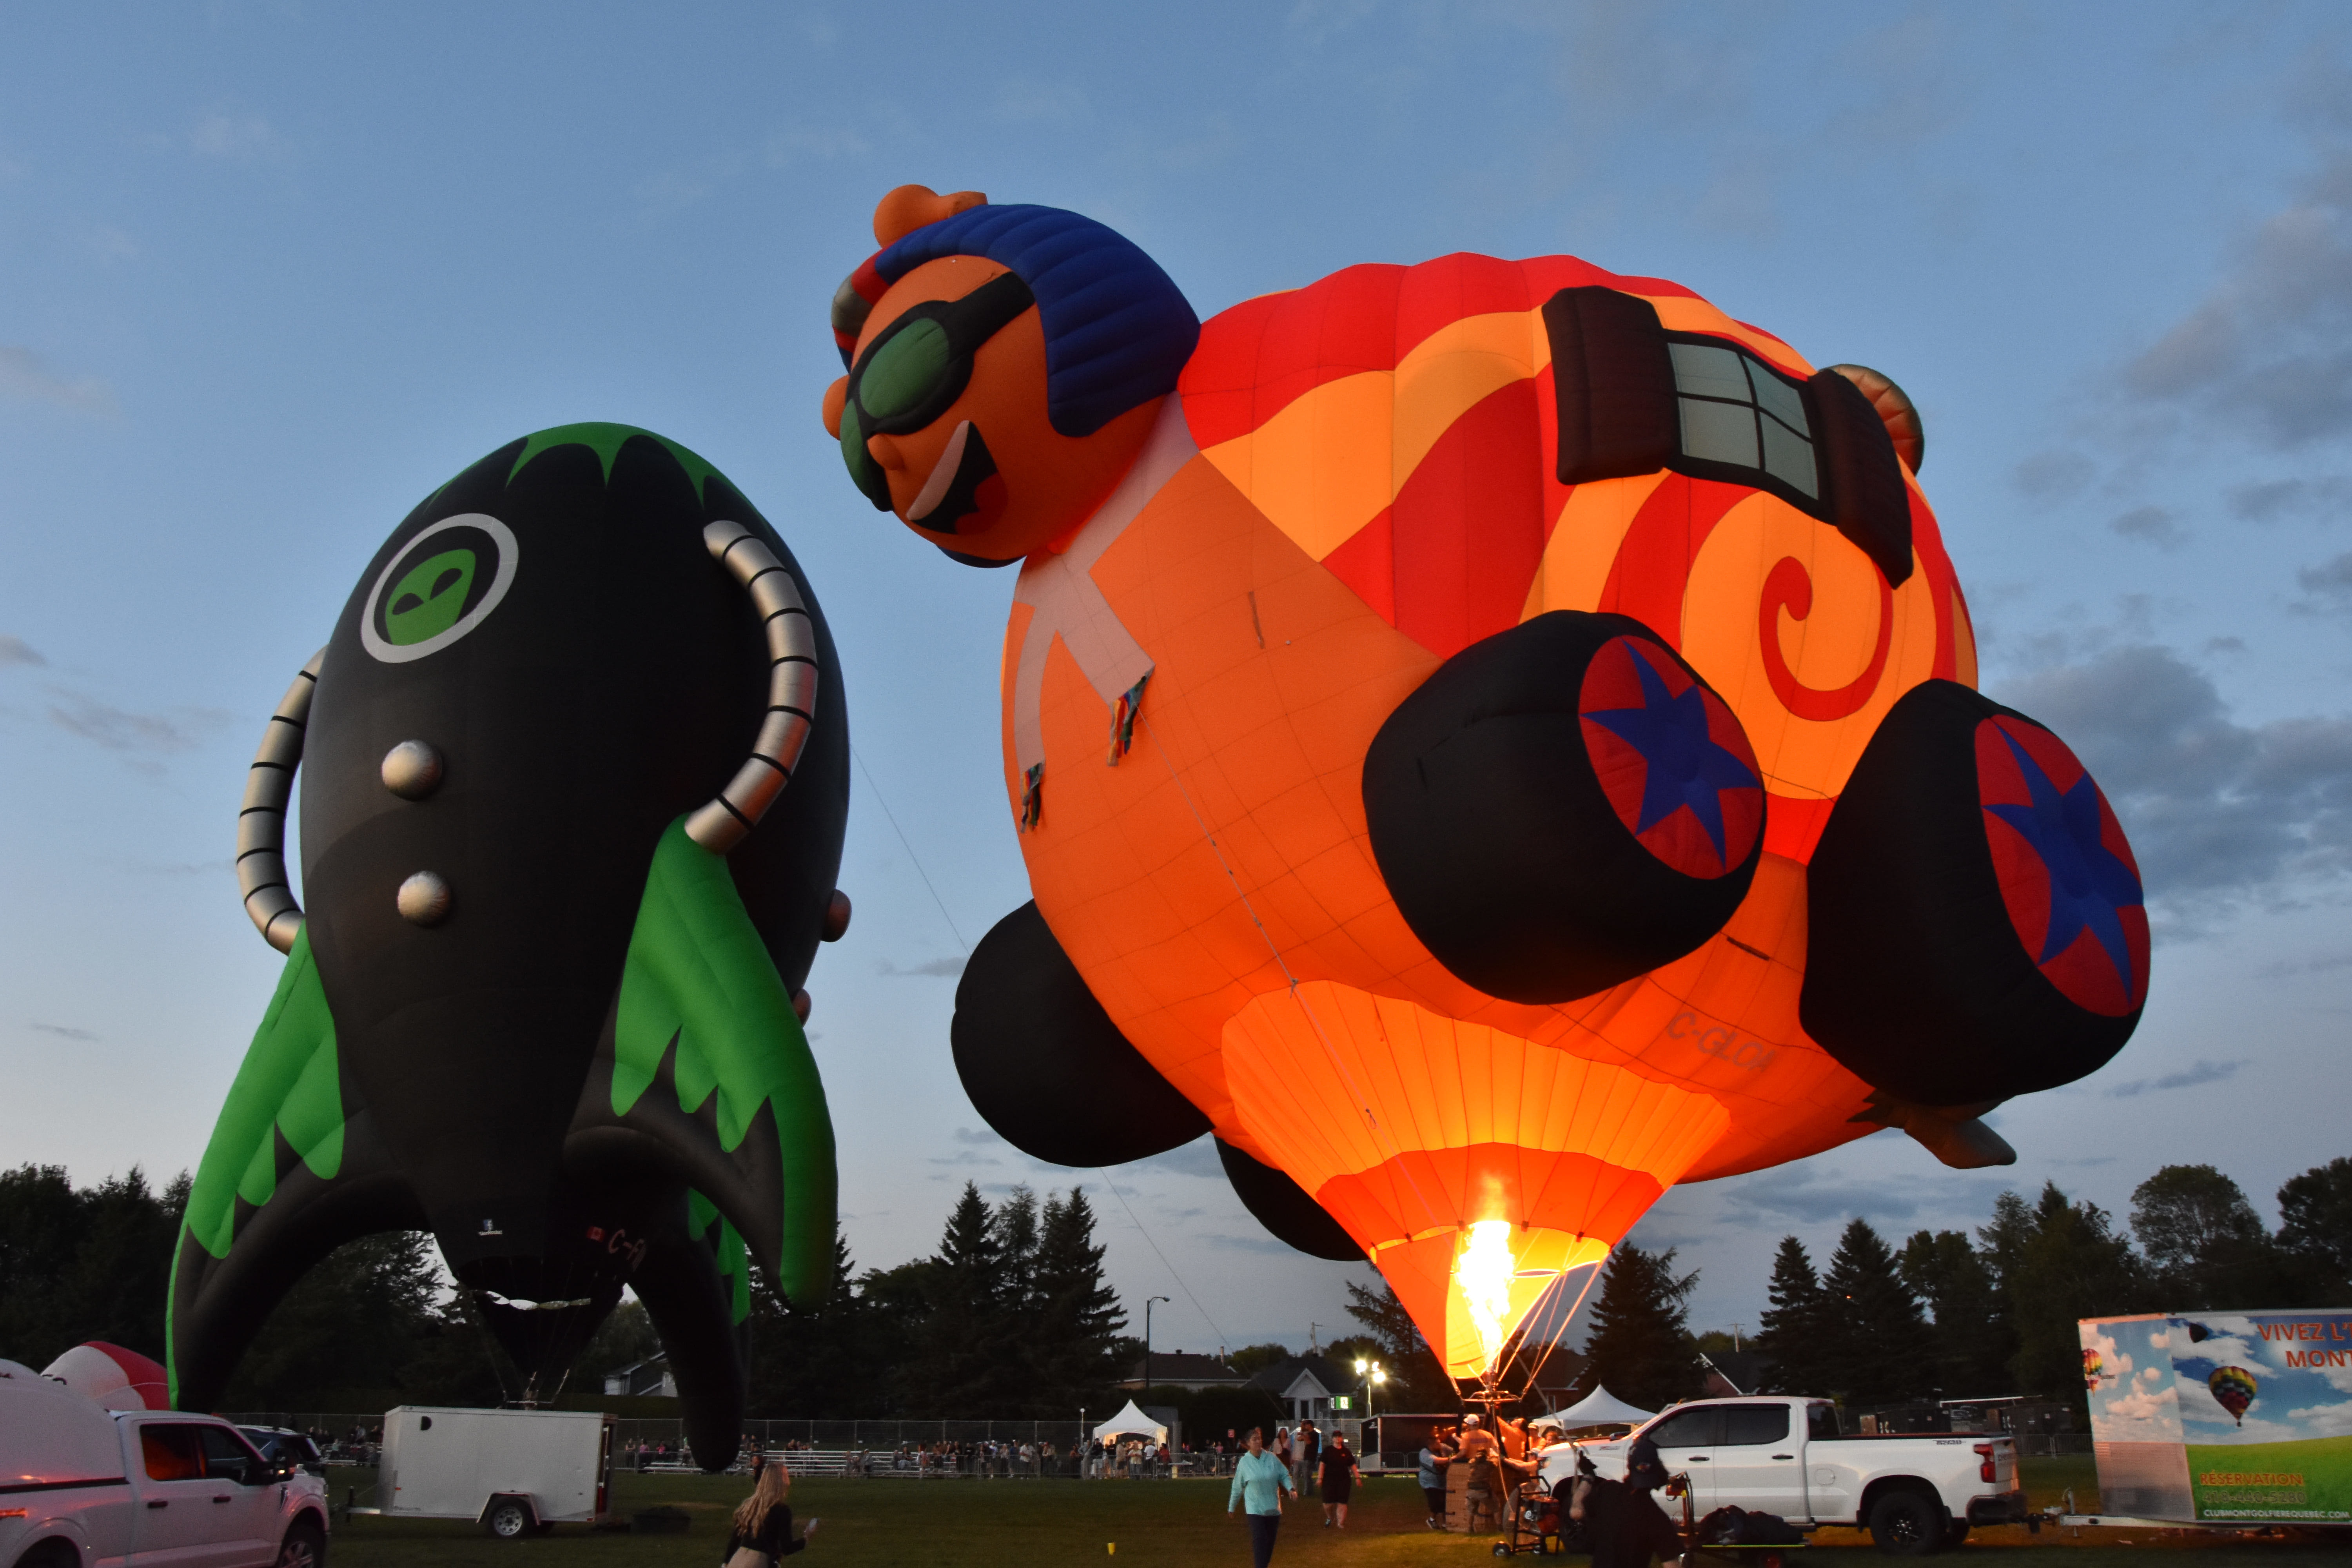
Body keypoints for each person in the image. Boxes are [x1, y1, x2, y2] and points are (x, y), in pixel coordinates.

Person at [722, 1463, 817, 1565]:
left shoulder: (749, 1507)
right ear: (779, 1481)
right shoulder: (782, 1510)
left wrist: (726, 1563)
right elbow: (787, 1548)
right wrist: (806, 1539)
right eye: (785, 1475)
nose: (789, 1478)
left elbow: (734, 1541)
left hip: (737, 1560)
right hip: (757, 1562)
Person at [1227, 1427, 1294, 1568]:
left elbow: (1284, 1474)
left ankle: (1263, 1565)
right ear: (1248, 1443)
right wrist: (1232, 1507)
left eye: (1259, 1439)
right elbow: (1237, 1487)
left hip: (1272, 1508)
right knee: (1260, 1539)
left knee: (1269, 1542)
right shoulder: (1245, 1463)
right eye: (1254, 1439)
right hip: (1255, 1509)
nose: (1258, 1442)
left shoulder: (1271, 1458)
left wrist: (1291, 1489)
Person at [1317, 1432, 1359, 1528]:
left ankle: (1341, 1523)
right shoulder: (1328, 1450)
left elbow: (1352, 1465)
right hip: (1329, 1480)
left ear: (1342, 1439)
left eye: (1339, 1437)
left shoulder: (1346, 1452)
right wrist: (1320, 1478)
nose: (1338, 1438)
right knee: (1328, 1503)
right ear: (1333, 1439)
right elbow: (1322, 1464)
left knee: (1342, 1502)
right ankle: (1330, 1517)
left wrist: (1357, 1478)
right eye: (1336, 1437)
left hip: (1344, 1480)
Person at [1416, 1427, 1454, 1530]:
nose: (1440, 1446)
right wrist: (1452, 1459)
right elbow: (1438, 1461)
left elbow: (1454, 1450)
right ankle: (1432, 1520)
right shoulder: (1424, 1453)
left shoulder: (1442, 1447)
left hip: (1441, 1482)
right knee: (1436, 1503)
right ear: (1431, 1445)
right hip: (1429, 1483)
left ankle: (1445, 1523)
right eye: (1438, 1444)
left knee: (1445, 1502)